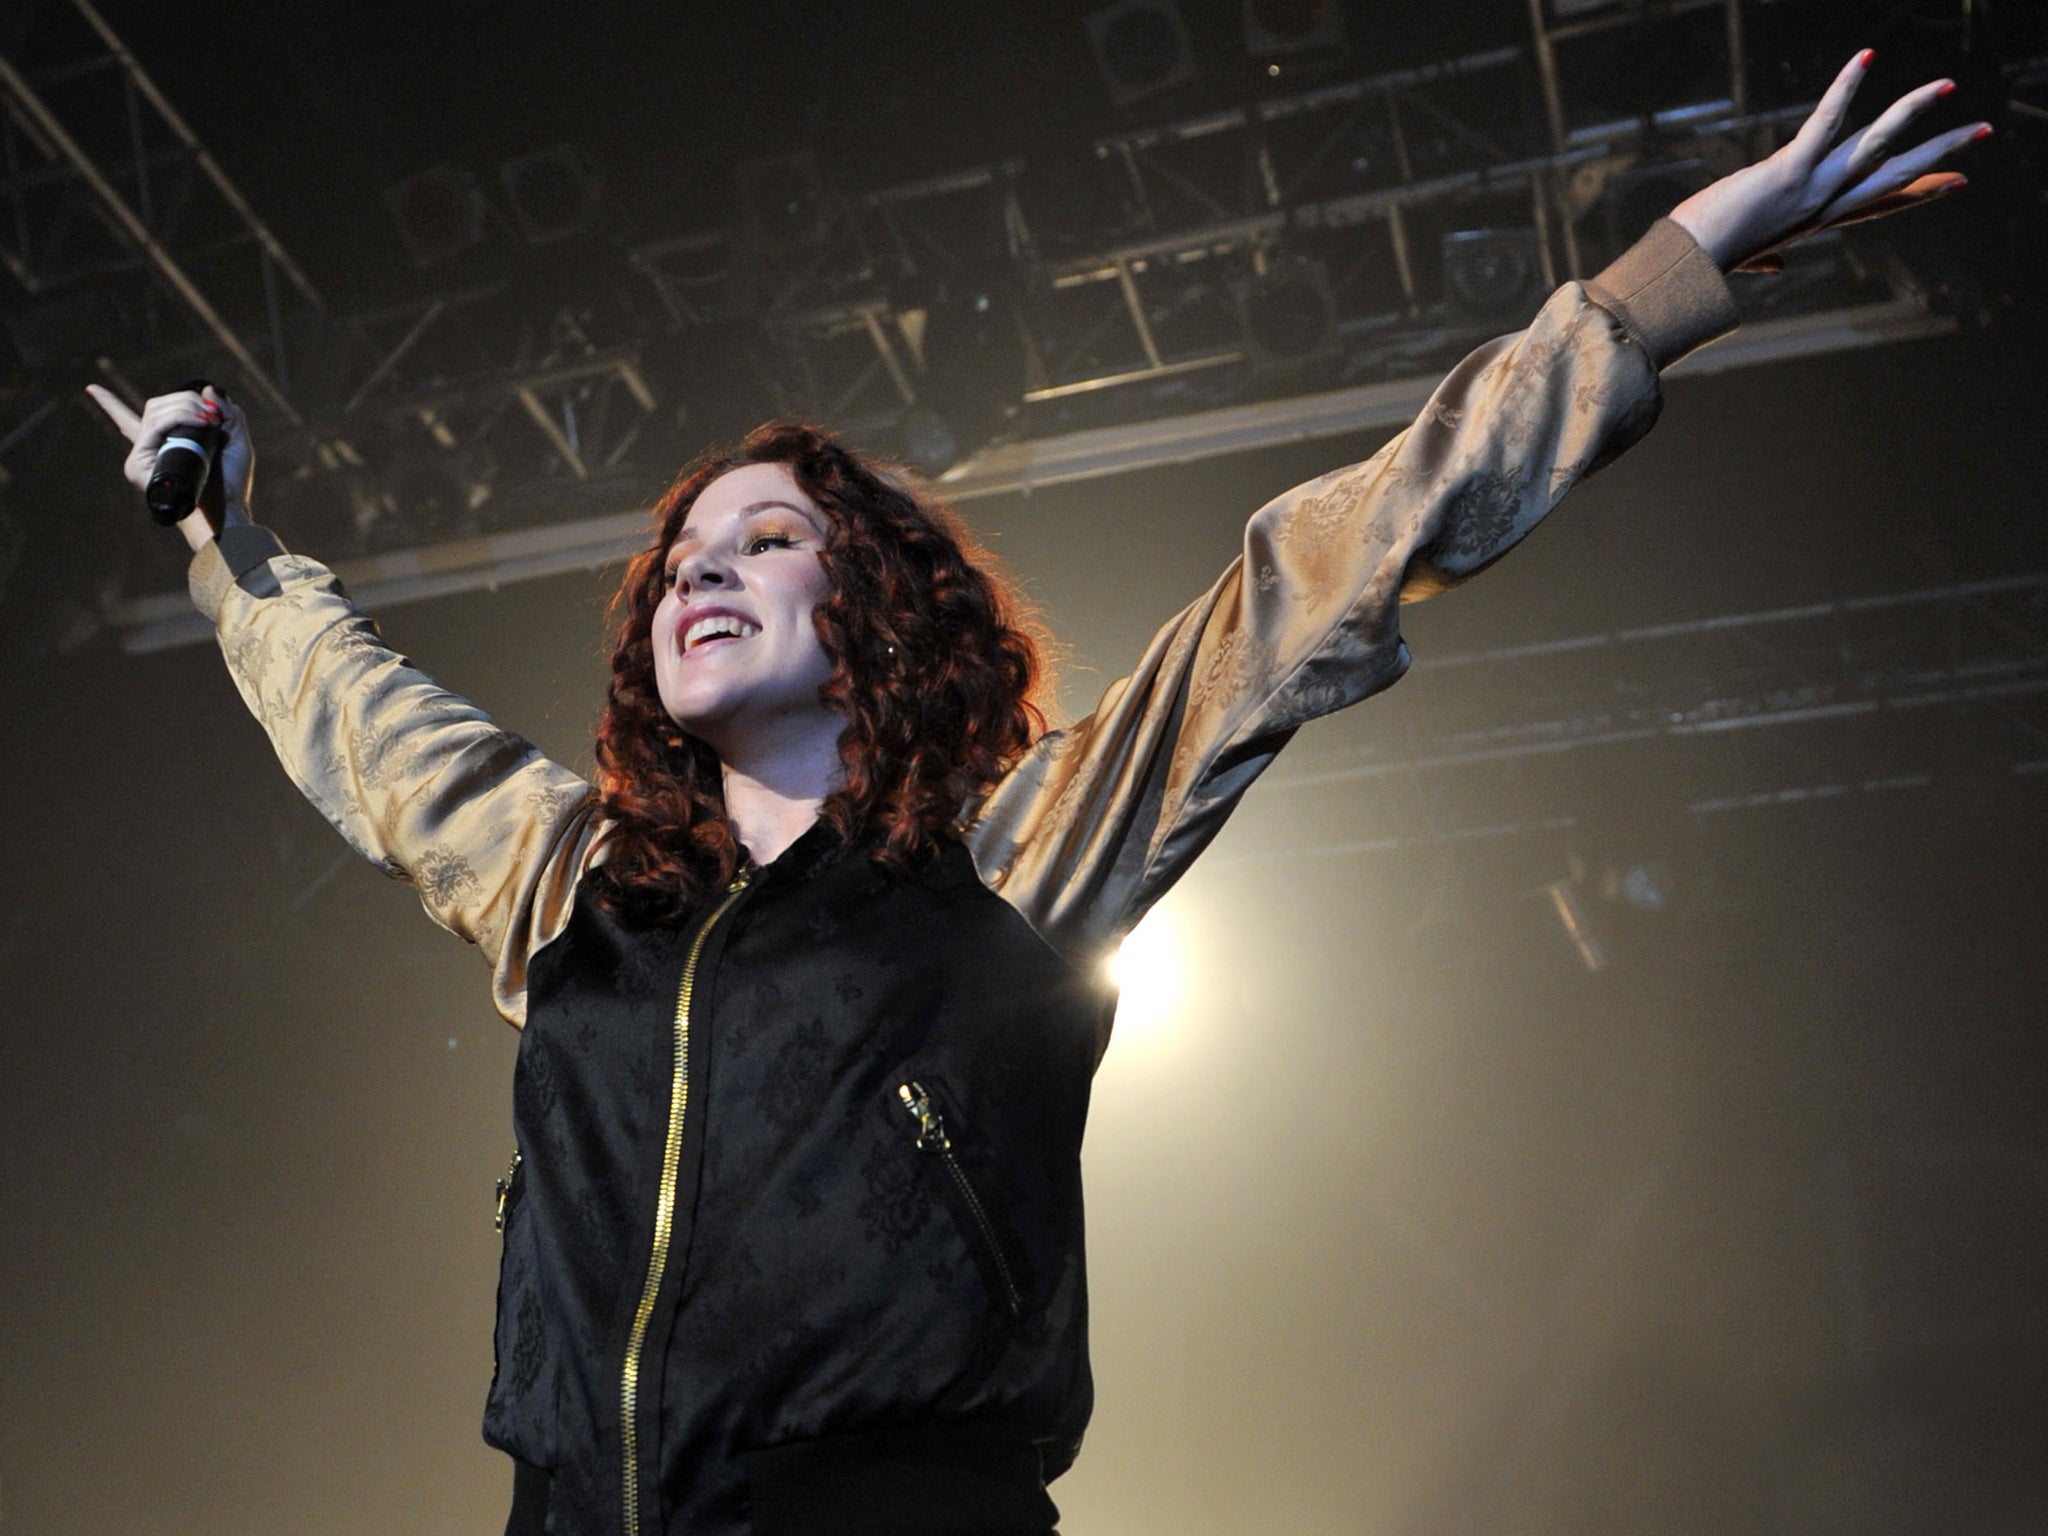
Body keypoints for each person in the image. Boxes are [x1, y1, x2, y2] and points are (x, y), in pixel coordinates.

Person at [90, 53, 1984, 1536]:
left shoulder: (1007, 853)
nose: (696, 571)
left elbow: (1324, 567)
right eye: (676, 557)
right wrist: (227, 538)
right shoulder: (566, 889)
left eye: (763, 538)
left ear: (874, 605)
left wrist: (1661, 286)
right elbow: (354, 712)